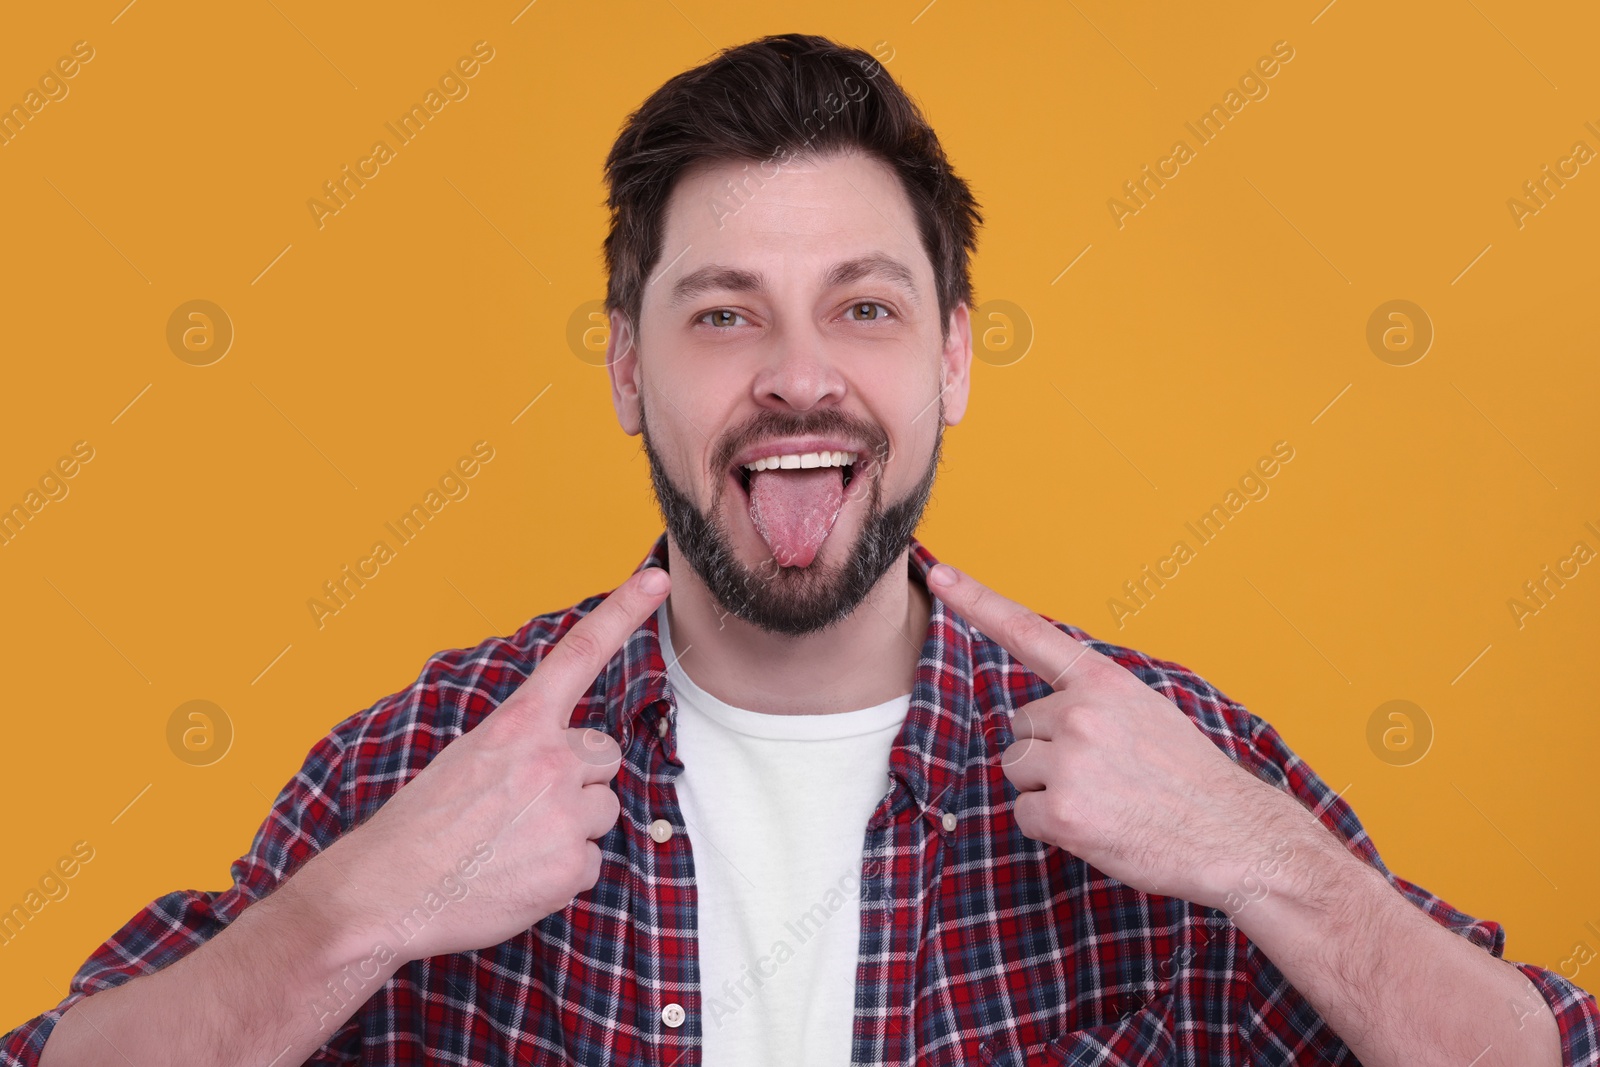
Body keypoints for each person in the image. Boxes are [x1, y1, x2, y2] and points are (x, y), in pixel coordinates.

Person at [6, 31, 1597, 1067]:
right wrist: (355, 914)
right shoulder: (431, 761)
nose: (798, 373)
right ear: (629, 366)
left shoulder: (1175, 770)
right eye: (722, 314)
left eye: (864, 307)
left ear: (954, 360)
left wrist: (1256, 858)